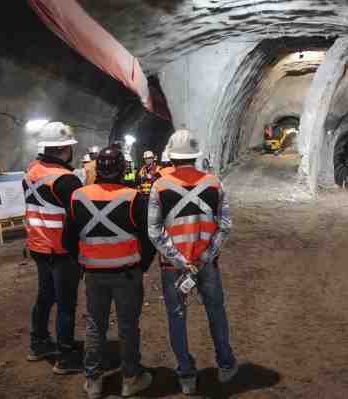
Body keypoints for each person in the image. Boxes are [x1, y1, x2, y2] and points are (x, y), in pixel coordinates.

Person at [148, 130, 238, 394]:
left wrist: (178, 259)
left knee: (177, 318)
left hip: (173, 268)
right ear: (195, 156)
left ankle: (186, 376)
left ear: (172, 157)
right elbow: (225, 225)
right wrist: (205, 256)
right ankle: (225, 364)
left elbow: (154, 231)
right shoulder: (213, 183)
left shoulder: (160, 186)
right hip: (206, 265)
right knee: (216, 312)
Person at [63, 147, 156, 398]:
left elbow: (67, 239)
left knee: (95, 325)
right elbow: (148, 240)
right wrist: (142, 265)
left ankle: (93, 381)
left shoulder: (77, 197)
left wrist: (83, 261)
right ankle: (130, 378)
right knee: (127, 326)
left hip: (94, 273)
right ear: (121, 169)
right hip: (127, 273)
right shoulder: (134, 198)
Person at [23, 122, 84, 374]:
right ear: (64, 150)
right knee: (66, 304)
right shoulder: (66, 180)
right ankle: (66, 356)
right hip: (61, 251)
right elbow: (80, 216)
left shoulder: (31, 171)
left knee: (45, 297)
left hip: (38, 247)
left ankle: (38, 344)